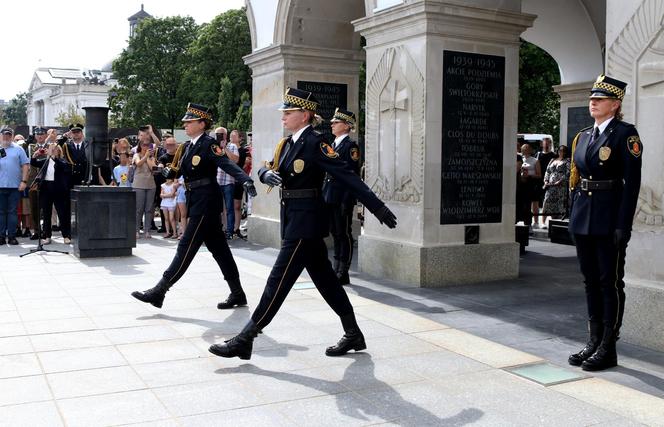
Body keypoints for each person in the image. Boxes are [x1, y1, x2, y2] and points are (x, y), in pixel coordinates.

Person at [208, 88, 397, 361]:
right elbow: (265, 166)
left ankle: (246, 338)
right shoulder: (287, 143)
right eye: (283, 112)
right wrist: (266, 174)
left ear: (305, 115)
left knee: (277, 282)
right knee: (327, 282)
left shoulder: (316, 143)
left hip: (306, 222)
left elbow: (347, 176)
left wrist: (376, 206)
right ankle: (353, 332)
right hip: (293, 218)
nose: (283, 116)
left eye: (289, 112)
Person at [131, 103, 257, 310]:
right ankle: (237, 293)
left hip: (206, 201)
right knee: (220, 250)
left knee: (185, 246)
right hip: (195, 198)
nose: (185, 125)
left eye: (189, 122)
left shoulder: (208, 144)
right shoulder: (187, 147)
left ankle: (159, 291)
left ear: (202, 123)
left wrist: (245, 180)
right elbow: (176, 171)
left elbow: (226, 163)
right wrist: (163, 171)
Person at [567, 75, 642, 372]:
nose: (593, 102)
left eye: (599, 99)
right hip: (584, 219)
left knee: (608, 282)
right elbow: (577, 180)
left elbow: (632, 184)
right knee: (589, 282)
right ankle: (593, 341)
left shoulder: (626, 135)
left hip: (609, 219)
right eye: (591, 98)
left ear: (615, 104)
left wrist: (623, 225)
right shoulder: (584, 136)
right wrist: (573, 216)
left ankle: (608, 347)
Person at [323, 108, 361, 285]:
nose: (332, 124)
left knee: (344, 233)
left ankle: (343, 270)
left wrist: (347, 199)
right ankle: (336, 266)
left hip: (342, 197)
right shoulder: (333, 144)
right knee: (335, 232)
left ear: (346, 126)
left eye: (336, 122)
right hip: (330, 195)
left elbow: (352, 176)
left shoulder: (350, 147)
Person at [30, 143, 72, 244]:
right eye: (50, 149)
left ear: (59, 151)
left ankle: (66, 235)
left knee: (62, 214)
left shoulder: (62, 161)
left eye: (54, 149)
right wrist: (34, 157)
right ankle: (47, 236)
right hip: (46, 190)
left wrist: (55, 158)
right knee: (46, 214)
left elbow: (65, 167)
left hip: (59, 190)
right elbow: (34, 163)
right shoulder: (45, 161)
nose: (52, 151)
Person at [0, 127, 30, 245]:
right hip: (0, 186)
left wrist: (24, 181)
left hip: (14, 186)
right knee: (1, 212)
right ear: (1, 136)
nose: (6, 137)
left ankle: (12, 236)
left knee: (13, 212)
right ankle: (1, 236)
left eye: (8, 135)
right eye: (4, 135)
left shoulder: (18, 149)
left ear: (12, 136)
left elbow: (25, 166)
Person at [214, 127, 239, 239]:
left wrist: (225, 148)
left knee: (229, 208)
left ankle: (229, 231)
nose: (218, 136)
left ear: (225, 135)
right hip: (216, 181)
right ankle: (218, 229)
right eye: (217, 134)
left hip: (228, 181)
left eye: (221, 134)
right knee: (217, 208)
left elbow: (235, 160)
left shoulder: (232, 146)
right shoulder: (213, 147)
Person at [131, 137, 157, 238]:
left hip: (151, 185)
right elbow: (138, 163)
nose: (146, 147)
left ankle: (147, 230)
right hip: (138, 185)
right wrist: (145, 156)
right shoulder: (136, 155)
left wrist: (149, 157)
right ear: (140, 146)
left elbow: (153, 169)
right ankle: (136, 230)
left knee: (149, 209)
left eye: (148, 145)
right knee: (139, 209)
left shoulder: (151, 157)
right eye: (144, 145)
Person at [541, 145, 570, 220]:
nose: (561, 152)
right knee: (548, 202)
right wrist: (546, 181)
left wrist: (560, 181)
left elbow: (568, 173)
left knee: (559, 205)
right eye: (560, 150)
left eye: (563, 151)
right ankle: (550, 220)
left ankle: (559, 220)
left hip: (560, 186)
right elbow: (547, 171)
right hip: (550, 186)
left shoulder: (567, 160)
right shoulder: (552, 160)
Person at [520, 143, 542, 232]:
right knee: (522, 204)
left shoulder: (535, 160)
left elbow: (539, 175)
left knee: (528, 205)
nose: (525, 149)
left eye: (526, 148)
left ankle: (529, 224)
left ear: (530, 150)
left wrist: (529, 175)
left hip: (530, 184)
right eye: (523, 148)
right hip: (521, 183)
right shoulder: (520, 159)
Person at [537, 137, 557, 228]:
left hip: (551, 183)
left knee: (551, 202)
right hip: (540, 182)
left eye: (548, 143)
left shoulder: (554, 155)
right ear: (542, 144)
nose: (547, 145)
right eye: (545, 143)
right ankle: (542, 222)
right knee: (543, 202)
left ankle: (553, 222)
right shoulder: (538, 155)